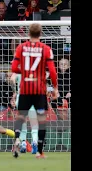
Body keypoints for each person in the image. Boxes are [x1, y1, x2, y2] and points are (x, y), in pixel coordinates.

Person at [11, 23, 58, 159]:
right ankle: (40, 152)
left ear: (28, 34)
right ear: (40, 33)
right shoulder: (46, 49)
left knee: (20, 118)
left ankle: (18, 140)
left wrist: (25, 72)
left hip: (25, 90)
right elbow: (53, 72)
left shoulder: (21, 47)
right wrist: (55, 88)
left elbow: (14, 68)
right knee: (41, 121)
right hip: (39, 91)